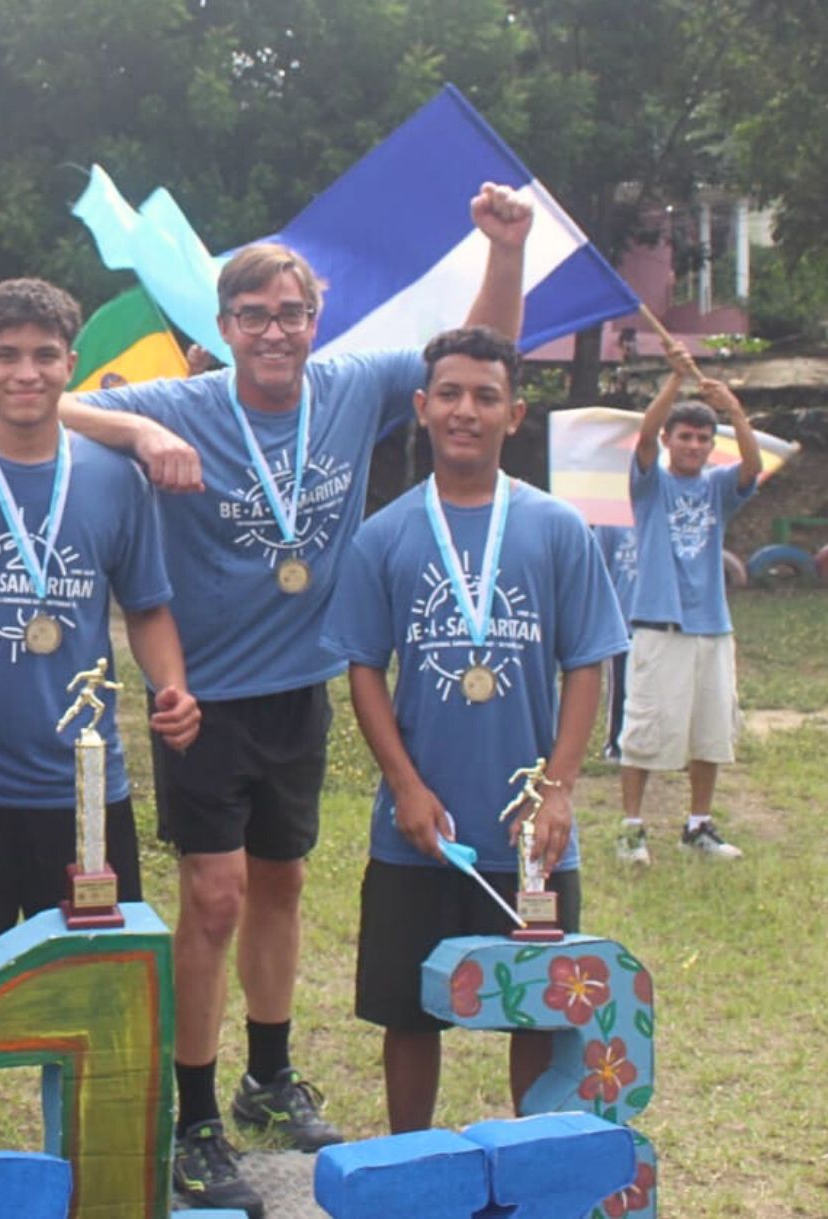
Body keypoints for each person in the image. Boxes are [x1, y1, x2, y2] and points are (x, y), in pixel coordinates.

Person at [58, 185, 533, 1210]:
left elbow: (480, 349)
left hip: (298, 692)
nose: (274, 332)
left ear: (315, 321)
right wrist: (137, 438)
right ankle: (191, 1114)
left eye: (290, 313)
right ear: (221, 329)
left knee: (279, 887)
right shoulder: (180, 404)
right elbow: (46, 400)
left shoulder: (355, 386)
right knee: (214, 896)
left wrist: (508, 247)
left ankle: (266, 1081)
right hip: (204, 700)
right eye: (252, 316)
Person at [0, 278, 201, 1151]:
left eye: (44, 355)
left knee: (96, 978)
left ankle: (83, 1159)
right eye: (7, 355)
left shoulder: (113, 480)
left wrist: (170, 686)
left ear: (70, 363)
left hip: (84, 786)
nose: (26, 373)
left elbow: (146, 606)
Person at [321, 326, 626, 1133]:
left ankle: (533, 1157)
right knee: (410, 1008)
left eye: (485, 396)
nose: (466, 411)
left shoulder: (556, 527)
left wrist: (557, 791)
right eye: (449, 394)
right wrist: (406, 786)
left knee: (540, 1004)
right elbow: (363, 669)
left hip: (530, 830)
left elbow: (589, 660)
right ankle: (411, 1163)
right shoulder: (383, 535)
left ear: (514, 413)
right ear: (420, 408)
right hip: (419, 828)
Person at [616, 344, 761, 862]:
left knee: (711, 731)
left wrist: (735, 411)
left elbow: (752, 465)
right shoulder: (651, 484)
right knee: (647, 729)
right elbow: (643, 438)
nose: (695, 445)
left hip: (712, 626)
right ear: (670, 440)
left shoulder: (718, 487)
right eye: (686, 436)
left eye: (703, 438)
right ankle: (632, 830)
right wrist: (675, 381)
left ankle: (698, 825)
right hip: (660, 624)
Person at [591, 523, 639, 761]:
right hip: (623, 620)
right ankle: (615, 743)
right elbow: (599, 565)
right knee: (620, 685)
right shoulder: (610, 524)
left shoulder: (659, 515)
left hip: (656, 621)